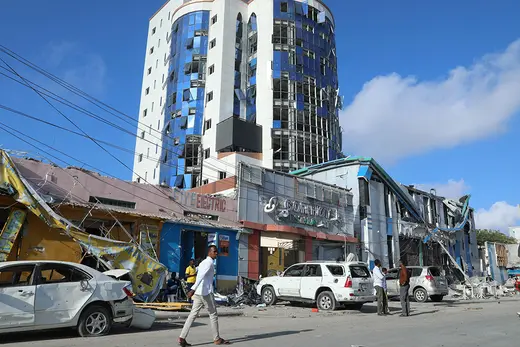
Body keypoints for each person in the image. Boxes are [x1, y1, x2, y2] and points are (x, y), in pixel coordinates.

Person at [178, 245, 231, 346]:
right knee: (213, 315)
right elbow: (201, 276)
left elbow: (198, 273)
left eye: (216, 252)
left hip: (198, 293)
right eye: (214, 251)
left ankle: (182, 337)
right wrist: (192, 289)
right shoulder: (209, 262)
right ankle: (216, 339)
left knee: (192, 315)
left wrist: (194, 288)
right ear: (209, 252)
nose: (216, 254)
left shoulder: (202, 263)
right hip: (206, 293)